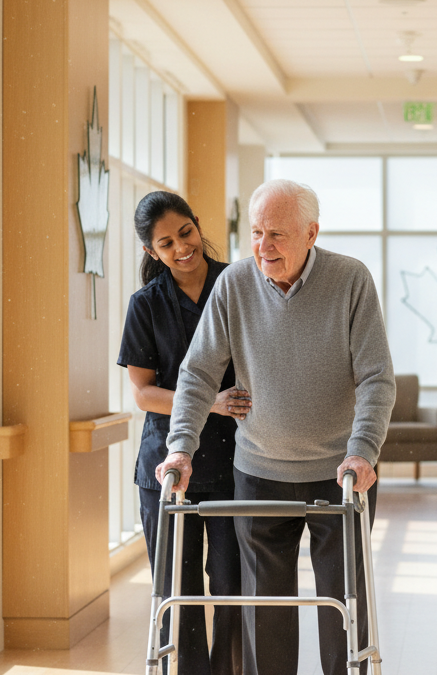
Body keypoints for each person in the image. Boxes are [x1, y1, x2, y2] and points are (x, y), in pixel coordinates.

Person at [157, 178, 395, 675]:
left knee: (344, 607)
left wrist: (363, 450)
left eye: (277, 235)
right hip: (259, 472)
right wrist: (181, 447)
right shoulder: (234, 284)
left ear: (311, 233)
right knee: (265, 613)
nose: (263, 246)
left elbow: (376, 377)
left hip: (340, 475)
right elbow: (198, 373)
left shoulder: (350, 279)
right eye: (256, 232)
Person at [117, 191, 248, 675]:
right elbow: (143, 393)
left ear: (197, 223)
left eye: (185, 233)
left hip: (236, 460)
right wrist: (209, 403)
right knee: (179, 589)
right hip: (168, 466)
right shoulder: (146, 305)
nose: (181, 248)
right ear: (151, 252)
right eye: (166, 243)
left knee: (233, 585)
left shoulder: (239, 285)